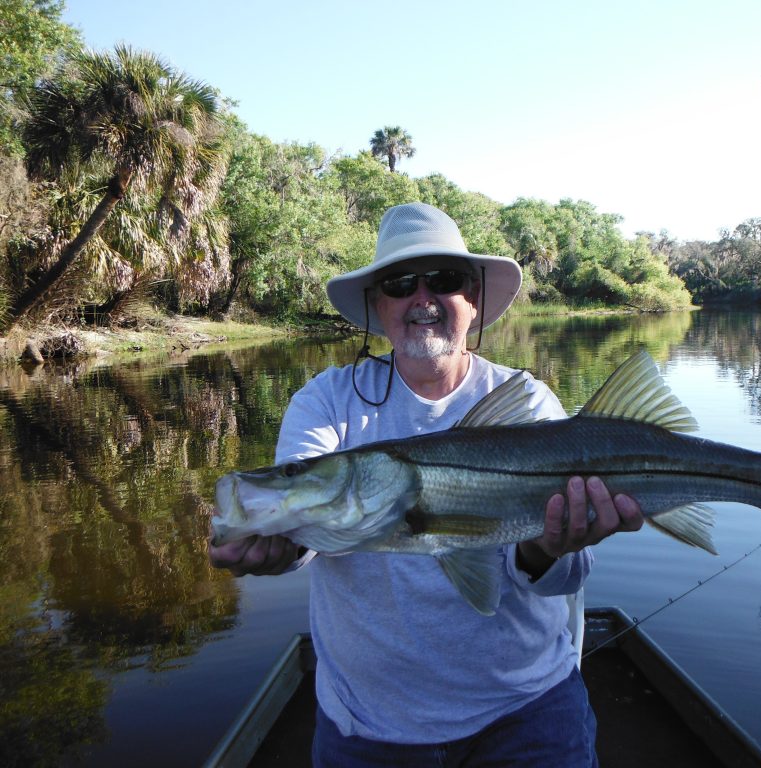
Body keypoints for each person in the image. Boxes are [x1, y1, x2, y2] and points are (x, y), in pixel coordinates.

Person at [208, 202, 644, 767]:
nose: (422, 298)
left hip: (528, 713)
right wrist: (273, 543)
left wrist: (545, 546)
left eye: (444, 279)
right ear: (377, 305)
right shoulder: (326, 401)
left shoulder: (529, 401)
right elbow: (309, 523)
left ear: (474, 299)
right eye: (398, 283)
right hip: (369, 727)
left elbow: (569, 575)